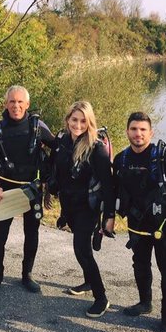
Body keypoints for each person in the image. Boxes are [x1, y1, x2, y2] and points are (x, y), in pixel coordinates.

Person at [113, 112, 166, 332]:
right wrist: (108, 218)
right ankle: (145, 302)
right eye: (134, 129)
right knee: (140, 264)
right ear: (127, 131)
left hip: (165, 228)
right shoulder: (121, 159)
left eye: (143, 130)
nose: (138, 134)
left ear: (151, 133)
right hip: (137, 226)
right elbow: (114, 192)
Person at [0, 85, 55, 297]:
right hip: (4, 190)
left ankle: (27, 274)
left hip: (31, 189)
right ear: (6, 104)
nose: (16, 106)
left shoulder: (38, 127)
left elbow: (59, 149)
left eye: (20, 102)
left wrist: (50, 181)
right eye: (12, 102)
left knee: (32, 233)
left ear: (27, 105)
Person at [49, 101, 114, 318]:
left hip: (88, 207)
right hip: (69, 205)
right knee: (82, 248)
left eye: (83, 121)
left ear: (89, 122)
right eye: (74, 119)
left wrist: (109, 216)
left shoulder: (96, 148)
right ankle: (88, 281)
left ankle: (101, 297)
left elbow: (108, 186)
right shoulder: (62, 141)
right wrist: (49, 191)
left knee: (82, 250)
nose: (78, 124)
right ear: (68, 120)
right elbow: (56, 171)